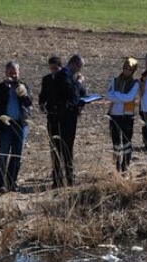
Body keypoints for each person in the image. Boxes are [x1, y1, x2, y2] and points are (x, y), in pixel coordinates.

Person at [0, 61, 33, 193]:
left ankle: (11, 182)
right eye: (10, 73)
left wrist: (24, 94)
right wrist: (5, 87)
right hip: (5, 126)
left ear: (19, 73)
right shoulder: (0, 87)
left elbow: (29, 103)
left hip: (21, 125)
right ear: (6, 73)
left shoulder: (24, 86)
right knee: (3, 154)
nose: (13, 76)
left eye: (15, 73)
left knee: (17, 156)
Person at [51, 54, 86, 187]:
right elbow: (71, 93)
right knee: (61, 148)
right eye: (80, 67)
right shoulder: (63, 75)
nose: (80, 70)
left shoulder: (71, 76)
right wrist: (79, 83)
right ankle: (59, 180)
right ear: (74, 64)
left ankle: (70, 178)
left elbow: (81, 91)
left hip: (70, 117)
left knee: (68, 148)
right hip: (62, 118)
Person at [105, 57, 140, 172]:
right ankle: (117, 167)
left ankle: (125, 167)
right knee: (116, 143)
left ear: (133, 71)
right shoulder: (114, 80)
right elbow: (108, 95)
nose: (126, 71)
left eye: (129, 69)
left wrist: (116, 95)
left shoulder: (135, 83)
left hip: (127, 116)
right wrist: (120, 97)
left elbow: (129, 97)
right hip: (114, 115)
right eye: (125, 68)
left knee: (126, 143)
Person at [39, 56, 65, 187]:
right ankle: (56, 178)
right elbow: (42, 95)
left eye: (55, 68)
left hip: (64, 119)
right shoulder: (47, 79)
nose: (53, 71)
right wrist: (42, 104)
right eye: (51, 69)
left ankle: (66, 177)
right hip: (51, 117)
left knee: (64, 148)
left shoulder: (65, 78)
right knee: (54, 149)